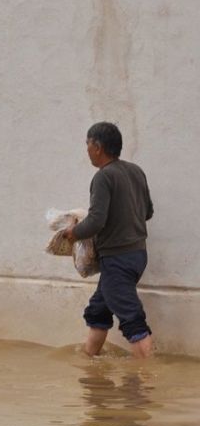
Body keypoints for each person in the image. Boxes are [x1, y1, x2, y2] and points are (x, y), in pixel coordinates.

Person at [65, 122, 154, 358]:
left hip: (117, 259)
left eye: (87, 144)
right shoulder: (136, 171)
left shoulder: (103, 177)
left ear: (98, 147)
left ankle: (148, 380)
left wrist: (73, 234)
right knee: (98, 311)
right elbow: (147, 212)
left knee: (132, 320)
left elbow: (96, 221)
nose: (86, 149)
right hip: (137, 255)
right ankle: (89, 362)